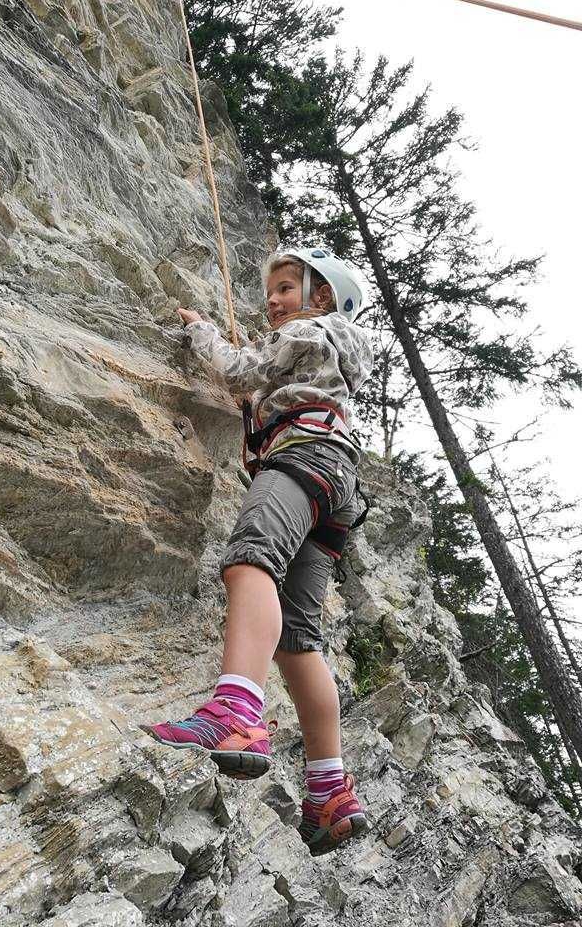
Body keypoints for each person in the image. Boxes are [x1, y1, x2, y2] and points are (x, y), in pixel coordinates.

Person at [144, 247, 375, 856]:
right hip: (337, 482)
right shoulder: (332, 354)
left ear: (321, 296)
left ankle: (236, 712)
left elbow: (238, 369)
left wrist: (203, 331)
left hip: (303, 456)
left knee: (251, 561)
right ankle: (329, 790)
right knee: (298, 640)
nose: (272, 300)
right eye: (270, 290)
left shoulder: (307, 331)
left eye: (286, 287)